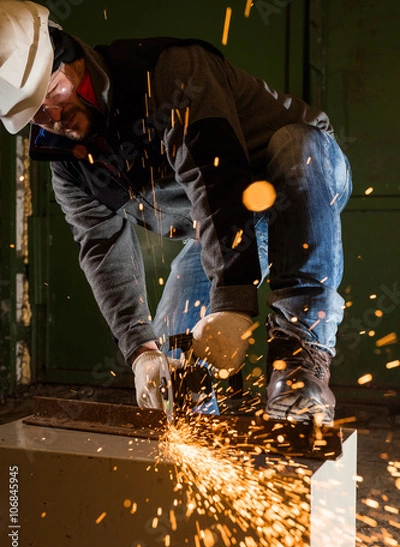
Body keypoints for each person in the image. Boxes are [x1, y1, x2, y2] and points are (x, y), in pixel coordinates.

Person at [0, 1, 352, 423]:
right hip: (213, 229)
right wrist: (141, 351)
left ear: (70, 55)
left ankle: (298, 362)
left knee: (299, 146)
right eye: (37, 112)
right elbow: (102, 249)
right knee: (176, 378)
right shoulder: (69, 166)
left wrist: (232, 303)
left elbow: (215, 175)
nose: (53, 116)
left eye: (52, 92)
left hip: (294, 184)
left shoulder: (167, 71)